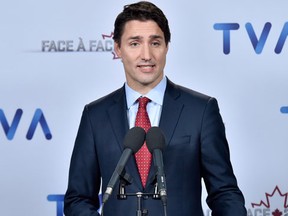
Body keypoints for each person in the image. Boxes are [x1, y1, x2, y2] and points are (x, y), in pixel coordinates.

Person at [64, 1, 247, 215]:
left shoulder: (201, 110)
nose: (147, 55)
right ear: (118, 49)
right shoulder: (95, 116)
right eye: (134, 43)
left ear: (167, 46)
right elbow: (78, 199)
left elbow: (224, 194)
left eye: (155, 43)